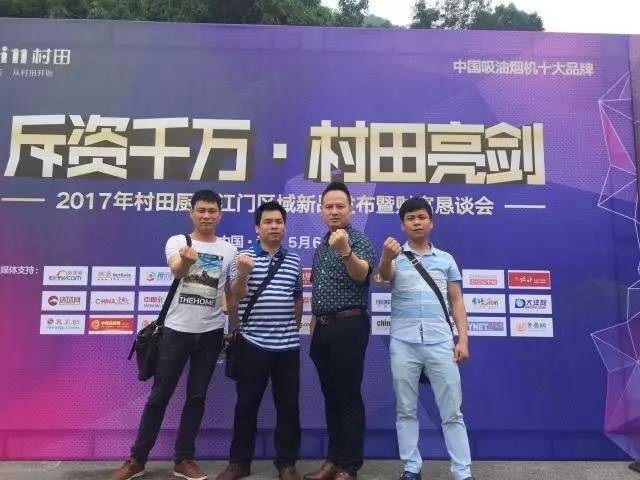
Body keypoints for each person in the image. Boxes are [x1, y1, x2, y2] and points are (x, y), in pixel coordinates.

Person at [113, 189, 237, 480]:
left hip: (211, 334)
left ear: (220, 215)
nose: (206, 216)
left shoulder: (229, 250)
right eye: (201, 210)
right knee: (159, 396)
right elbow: (178, 271)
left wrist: (234, 327)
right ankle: (137, 459)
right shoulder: (178, 241)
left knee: (196, 398)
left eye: (212, 211)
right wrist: (187, 261)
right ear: (191, 213)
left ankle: (184, 459)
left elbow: (231, 293)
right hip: (175, 331)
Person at [377, 196, 473, 480]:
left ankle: (462, 472)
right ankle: (411, 468)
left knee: (452, 412)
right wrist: (386, 256)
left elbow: (457, 301)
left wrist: (463, 340)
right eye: (410, 218)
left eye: (421, 217)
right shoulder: (394, 256)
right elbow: (383, 277)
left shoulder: (446, 259)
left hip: (441, 341)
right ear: (403, 225)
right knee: (406, 409)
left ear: (431, 222)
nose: (416, 222)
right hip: (403, 342)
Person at [216, 201, 303, 480]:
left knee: (288, 407)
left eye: (279, 221)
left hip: (287, 348)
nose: (274, 226)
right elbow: (236, 295)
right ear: (257, 228)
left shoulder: (294, 260)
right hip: (252, 343)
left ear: (285, 226)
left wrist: (292, 329)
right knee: (246, 404)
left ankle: (286, 463)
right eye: (268, 222)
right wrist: (243, 272)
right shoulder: (243, 258)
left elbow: (297, 298)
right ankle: (239, 463)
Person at [304, 181, 376, 480]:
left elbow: (362, 275)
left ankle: (349, 466)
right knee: (331, 397)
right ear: (321, 211)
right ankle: (332, 461)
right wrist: (313, 322)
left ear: (350, 210)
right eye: (329, 206)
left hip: (349, 326)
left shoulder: (359, 241)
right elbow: (320, 288)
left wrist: (345, 251)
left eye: (340, 206)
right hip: (323, 329)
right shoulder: (321, 245)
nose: (334, 211)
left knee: (348, 398)